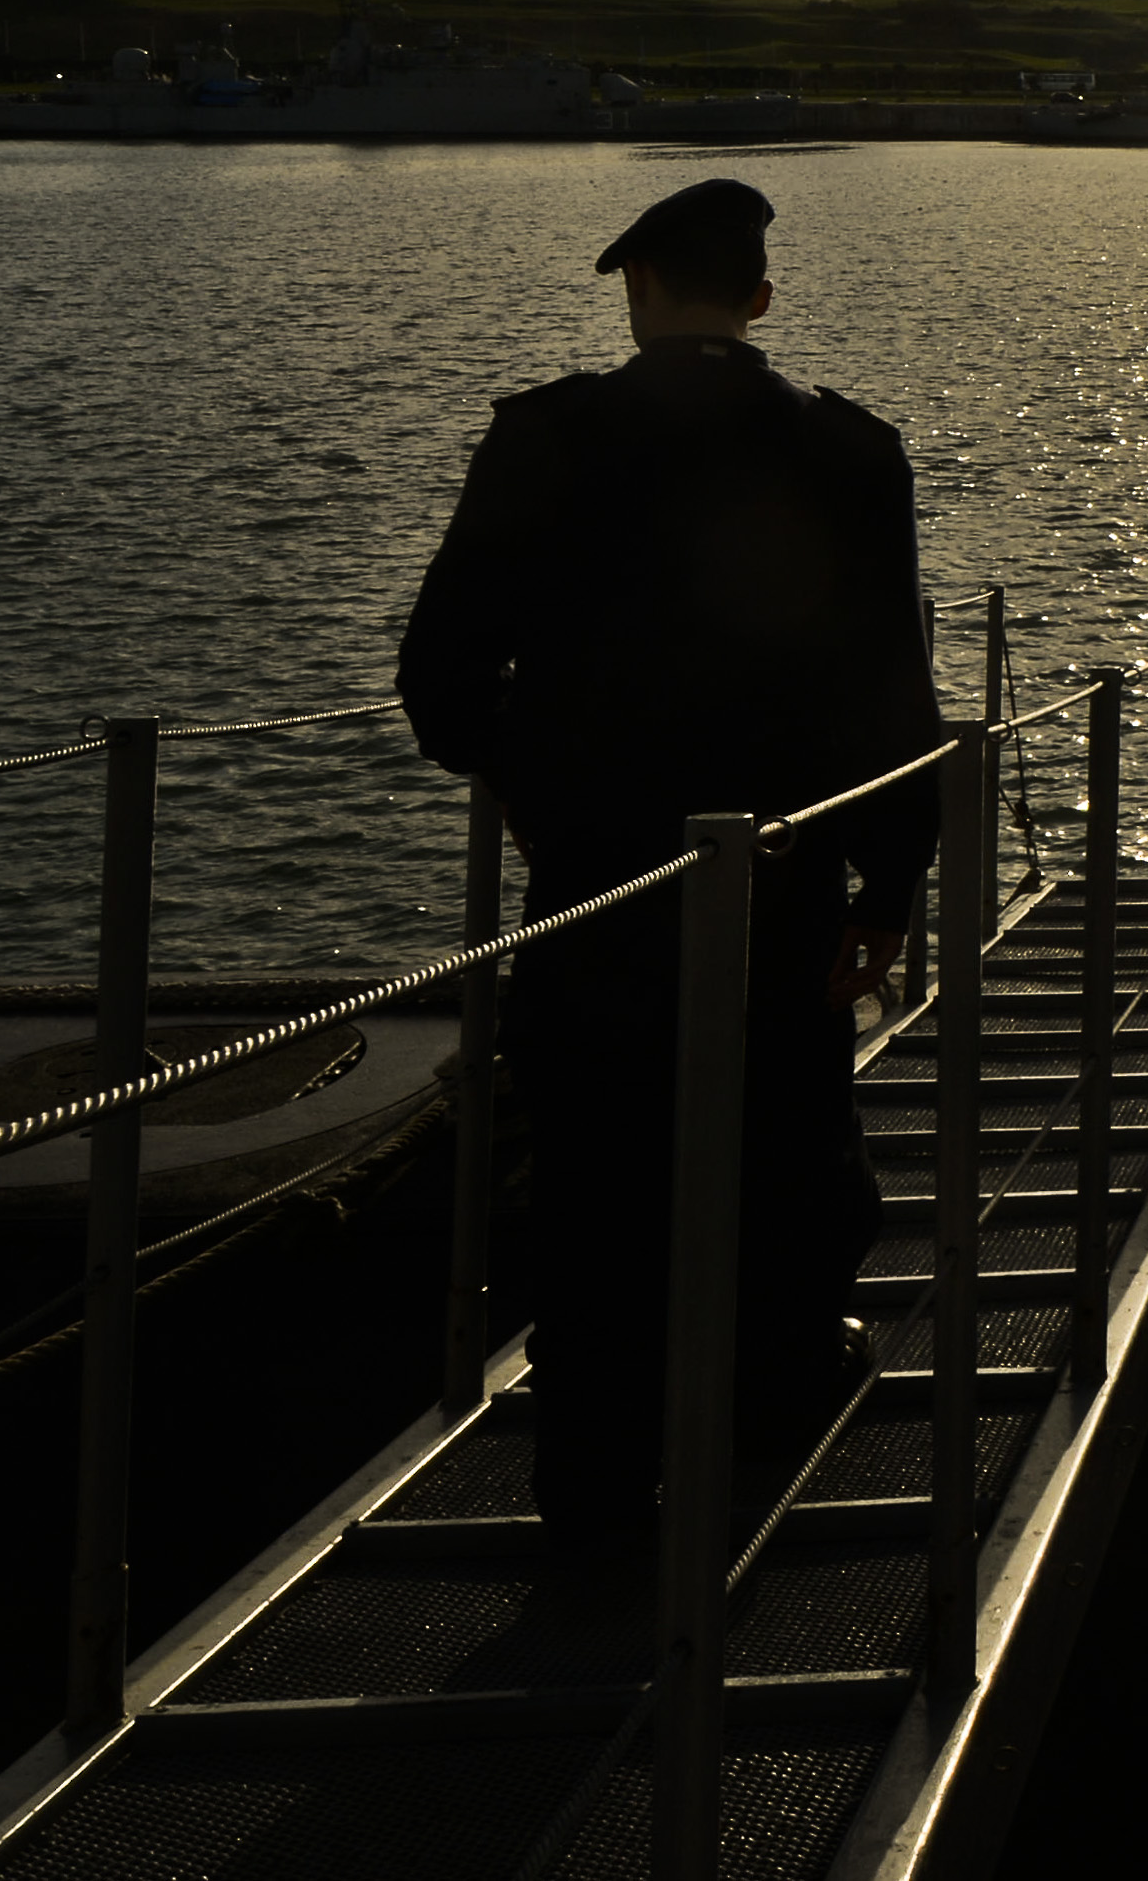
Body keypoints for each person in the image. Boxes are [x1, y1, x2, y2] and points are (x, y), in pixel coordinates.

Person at [396, 175, 943, 1569]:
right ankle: (771, 1430)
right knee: (787, 1141)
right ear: (761, 298)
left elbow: (440, 677)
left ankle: (589, 1509)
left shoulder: (543, 437)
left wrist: (530, 792)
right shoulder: (852, 452)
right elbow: (895, 700)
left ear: (637, 292)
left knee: (590, 1173)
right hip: (790, 869)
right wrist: (889, 889)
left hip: (596, 877)